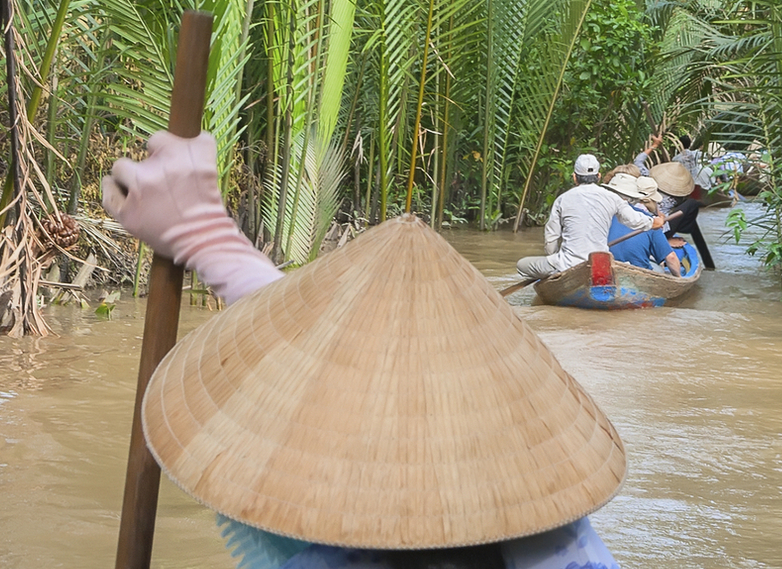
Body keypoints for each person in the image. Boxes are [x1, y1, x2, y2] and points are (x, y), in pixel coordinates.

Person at [102, 131, 624, 569]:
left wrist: (203, 234)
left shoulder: (321, 546)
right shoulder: (553, 534)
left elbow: (310, 367)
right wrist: (206, 235)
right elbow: (320, 348)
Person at [517, 154, 662, 279]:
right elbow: (635, 220)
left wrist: (554, 258)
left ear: (575, 177)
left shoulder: (562, 199)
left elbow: (551, 237)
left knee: (521, 265)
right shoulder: (612, 198)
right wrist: (655, 222)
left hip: (567, 265)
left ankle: (556, 274)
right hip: (599, 264)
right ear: (598, 176)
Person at [605, 175, 682, 275]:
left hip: (606, 271)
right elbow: (671, 257)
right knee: (660, 268)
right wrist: (679, 279)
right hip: (639, 273)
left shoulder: (598, 215)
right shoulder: (648, 219)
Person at [648, 161, 716, 270]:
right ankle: (709, 265)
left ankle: (709, 265)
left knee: (691, 219)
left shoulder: (649, 185)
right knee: (692, 204)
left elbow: (639, 162)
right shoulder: (677, 198)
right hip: (657, 228)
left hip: (655, 224)